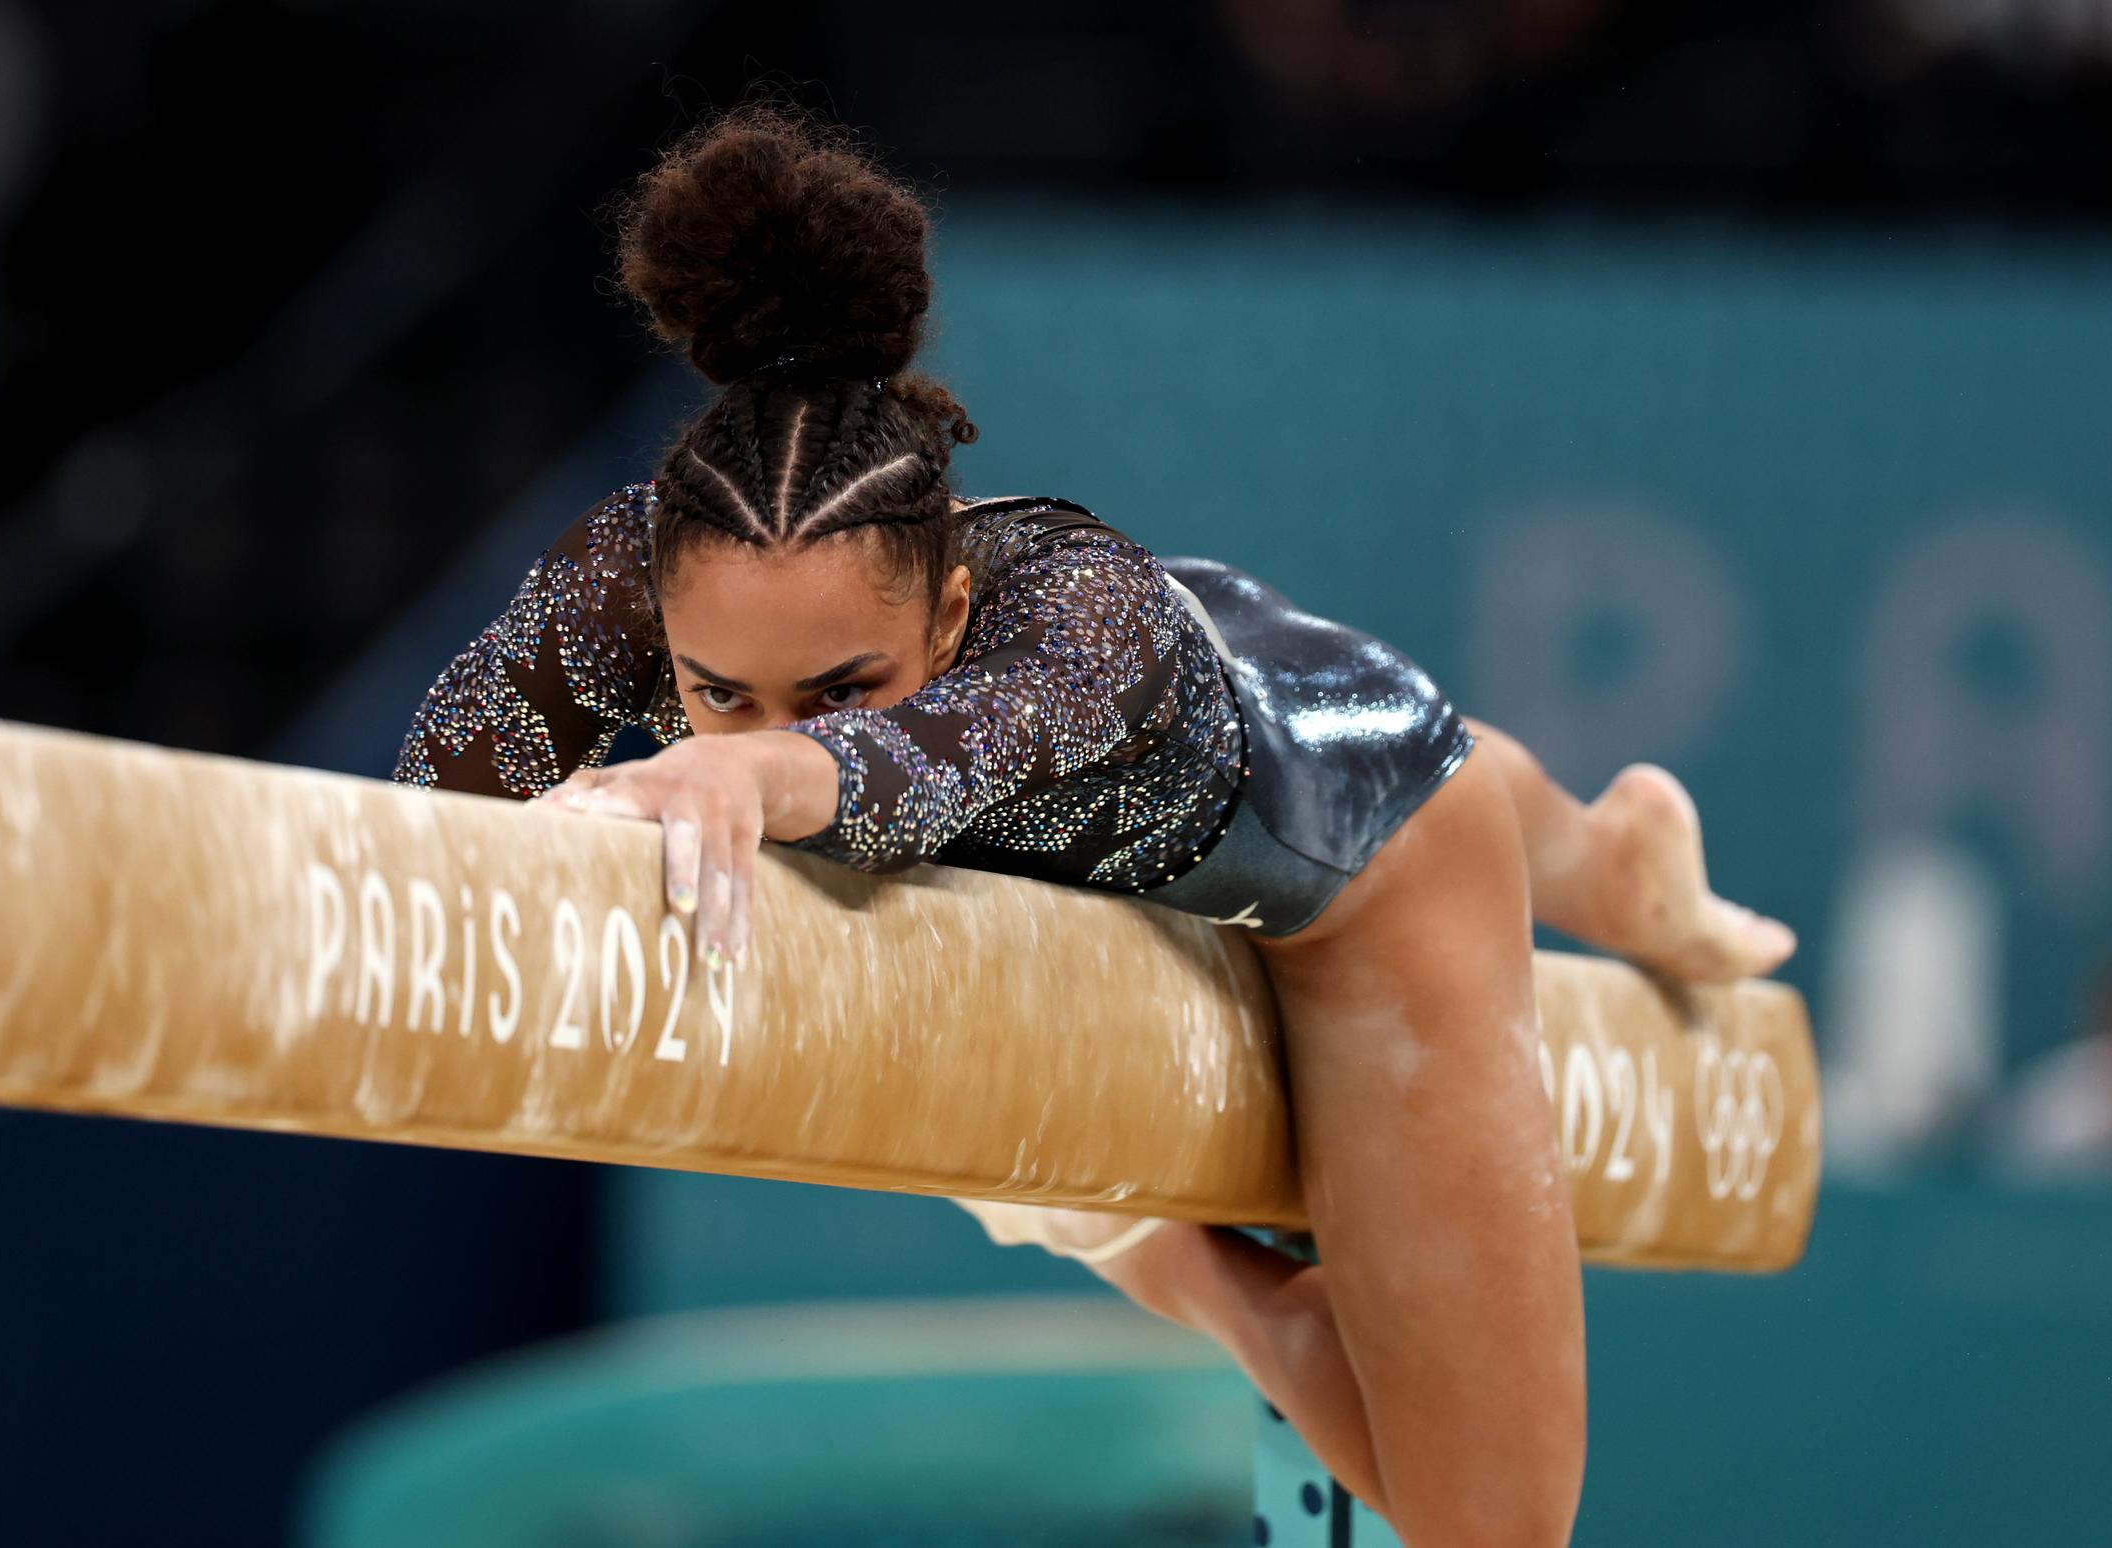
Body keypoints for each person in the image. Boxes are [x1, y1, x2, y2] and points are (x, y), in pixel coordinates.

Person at [392, 105, 1795, 1545]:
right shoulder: (653, 562)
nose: (770, 730)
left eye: (835, 690)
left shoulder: (1079, 626)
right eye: (718, 696)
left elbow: (928, 764)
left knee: (1485, 1531)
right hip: (1230, 730)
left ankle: (1169, 1255)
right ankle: (1607, 854)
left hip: (1367, 837)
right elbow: (424, 811)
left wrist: (742, 774)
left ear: (949, 614)